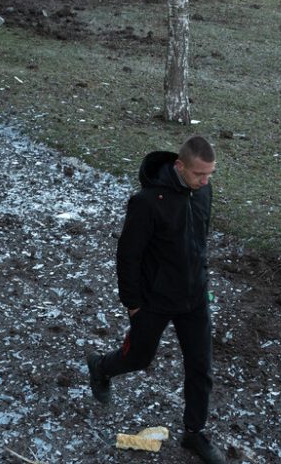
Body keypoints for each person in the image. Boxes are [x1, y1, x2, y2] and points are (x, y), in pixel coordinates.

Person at [86, 135, 226, 464]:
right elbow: (128, 255)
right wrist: (133, 303)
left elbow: (199, 239)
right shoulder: (147, 202)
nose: (205, 181)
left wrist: (200, 278)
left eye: (210, 175)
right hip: (154, 300)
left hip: (194, 298)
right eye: (198, 175)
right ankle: (101, 367)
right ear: (179, 166)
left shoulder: (203, 191)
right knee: (138, 358)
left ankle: (194, 432)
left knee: (201, 367)